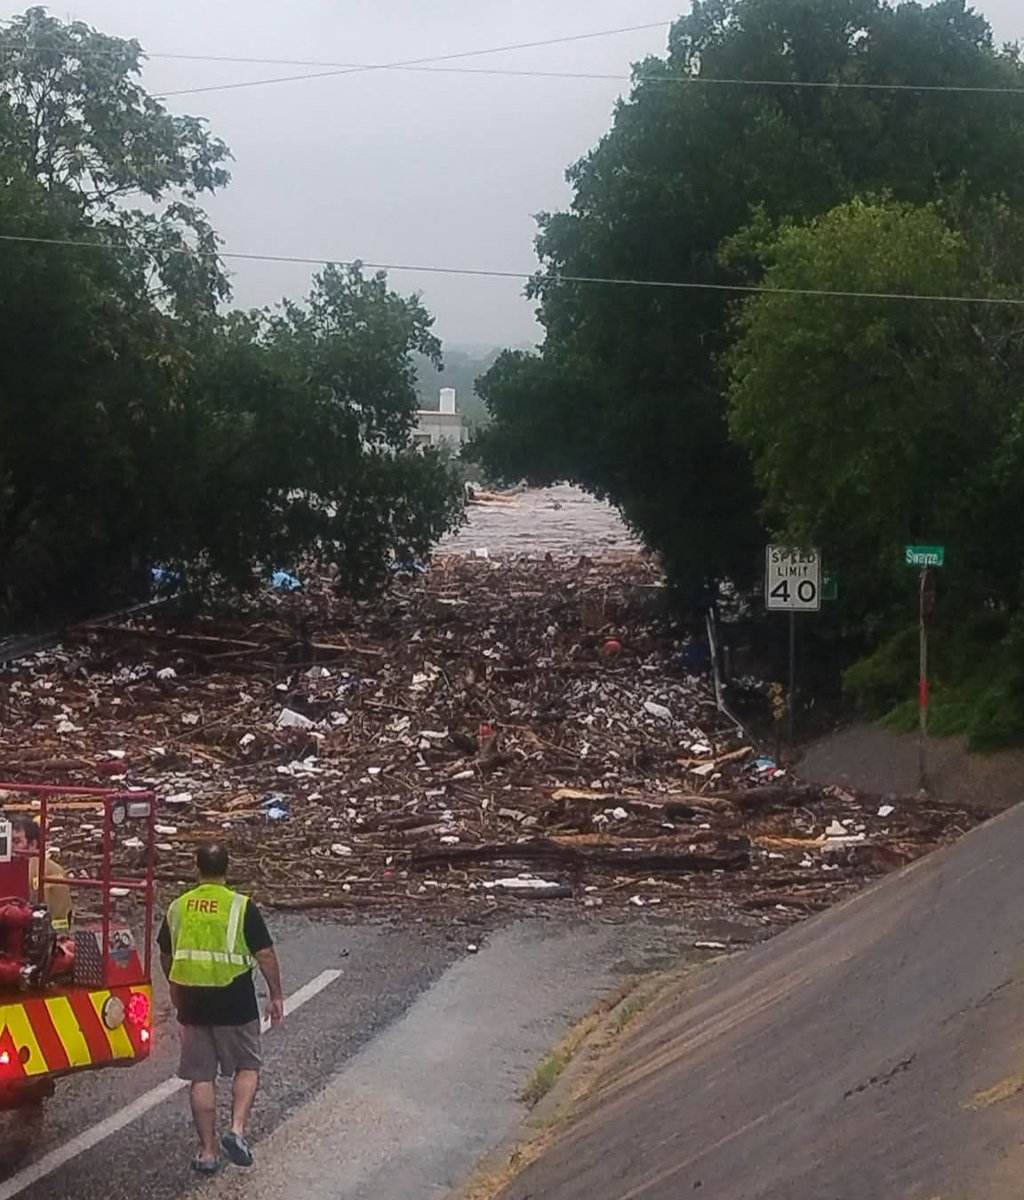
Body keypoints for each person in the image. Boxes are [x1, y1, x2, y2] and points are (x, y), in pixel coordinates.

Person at [157, 842, 284, 1175]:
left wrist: (174, 984)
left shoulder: (178, 907)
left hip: (192, 1000)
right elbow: (266, 954)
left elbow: (166, 953)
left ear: (196, 868)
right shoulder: (241, 907)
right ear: (227, 869)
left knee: (201, 1076)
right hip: (235, 999)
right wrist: (276, 994)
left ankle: (208, 1151)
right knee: (247, 1065)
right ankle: (237, 1130)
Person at [11, 817, 73, 931]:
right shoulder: (57, 869)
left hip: (35, 937)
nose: (11, 847)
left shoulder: (24, 870)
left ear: (33, 844)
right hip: (59, 935)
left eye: (16, 842)